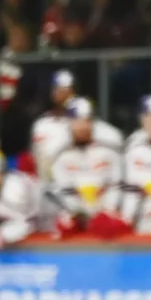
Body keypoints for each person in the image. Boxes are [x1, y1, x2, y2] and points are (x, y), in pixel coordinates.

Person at [50, 97, 132, 238]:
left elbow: (116, 185)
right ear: (69, 122)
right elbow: (63, 190)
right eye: (77, 121)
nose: (82, 126)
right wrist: (79, 213)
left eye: (87, 121)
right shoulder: (60, 153)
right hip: (75, 212)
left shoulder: (109, 148)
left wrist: (107, 210)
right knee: (64, 227)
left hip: (105, 210)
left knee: (110, 226)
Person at [30, 69, 121, 177]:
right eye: (59, 90)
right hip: (49, 179)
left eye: (68, 91)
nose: (63, 95)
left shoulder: (104, 130)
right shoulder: (42, 125)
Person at [123, 95, 151, 235]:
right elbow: (130, 188)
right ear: (142, 119)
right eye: (149, 117)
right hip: (142, 216)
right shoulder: (133, 144)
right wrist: (126, 219)